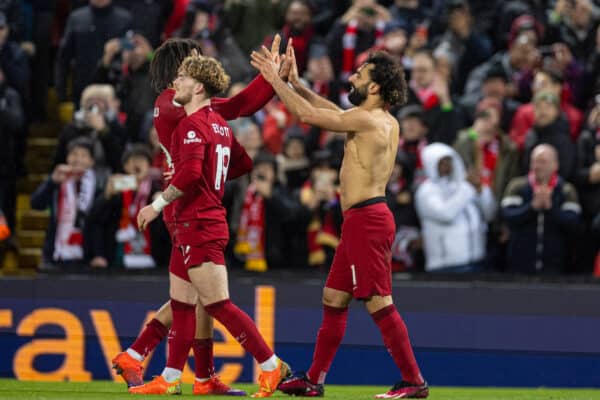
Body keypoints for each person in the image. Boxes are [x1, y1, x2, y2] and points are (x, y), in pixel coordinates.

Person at [112, 37, 289, 395]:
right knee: (198, 300)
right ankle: (186, 372)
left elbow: (231, 117)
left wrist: (273, 78)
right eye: (192, 62)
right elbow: (238, 108)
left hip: (191, 209)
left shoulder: (193, 114)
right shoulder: (174, 105)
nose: (196, 66)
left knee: (195, 301)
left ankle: (164, 365)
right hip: (185, 210)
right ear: (180, 70)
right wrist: (271, 80)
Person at [251, 44, 427, 398]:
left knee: (379, 301)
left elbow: (309, 117)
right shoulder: (379, 121)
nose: (352, 77)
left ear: (375, 87)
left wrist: (275, 82)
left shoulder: (366, 120)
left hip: (367, 220)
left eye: (360, 74)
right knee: (334, 297)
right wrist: (299, 85)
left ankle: (413, 381)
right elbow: (334, 113)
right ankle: (314, 380)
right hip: (363, 219)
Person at [501, 144, 581, 274]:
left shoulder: (566, 190)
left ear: (555, 165)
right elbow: (508, 216)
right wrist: (532, 207)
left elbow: (573, 223)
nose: (537, 166)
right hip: (520, 264)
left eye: (542, 162)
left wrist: (551, 208)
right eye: (534, 161)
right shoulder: (516, 186)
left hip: (556, 265)